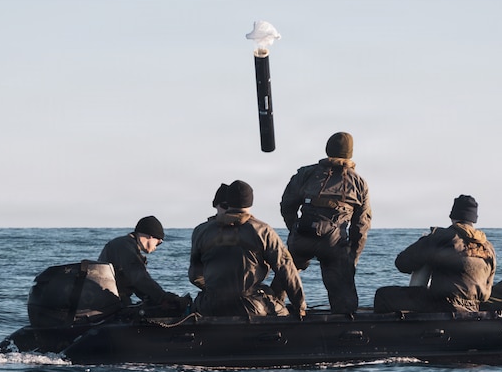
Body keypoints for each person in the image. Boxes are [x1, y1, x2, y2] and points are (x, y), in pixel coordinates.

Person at [278, 131, 372, 314]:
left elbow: (287, 205)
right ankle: (344, 321)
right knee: (343, 296)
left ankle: (272, 311)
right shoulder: (359, 182)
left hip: (303, 235)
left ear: (328, 149)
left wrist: (294, 229)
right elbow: (361, 224)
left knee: (284, 276)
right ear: (350, 153)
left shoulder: (305, 173)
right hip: (334, 243)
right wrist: (352, 256)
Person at [189, 180, 306, 318]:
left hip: (209, 305)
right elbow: (286, 269)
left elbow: (194, 276)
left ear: (228, 201)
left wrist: (215, 291)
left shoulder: (201, 231)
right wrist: (299, 306)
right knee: (284, 313)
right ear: (250, 202)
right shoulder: (263, 230)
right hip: (250, 305)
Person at [385, 195, 496, 312]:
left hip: (443, 305)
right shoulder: (488, 247)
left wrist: (425, 245)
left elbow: (402, 263)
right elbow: (487, 289)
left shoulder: (442, 236)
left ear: (452, 215)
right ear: (474, 219)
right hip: (474, 307)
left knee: (383, 296)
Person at [98, 216, 188, 311]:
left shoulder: (125, 245)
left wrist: (156, 298)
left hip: (109, 299)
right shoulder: (125, 247)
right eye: (158, 243)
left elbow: (137, 284)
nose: (156, 247)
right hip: (108, 304)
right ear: (150, 236)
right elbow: (139, 278)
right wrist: (163, 297)